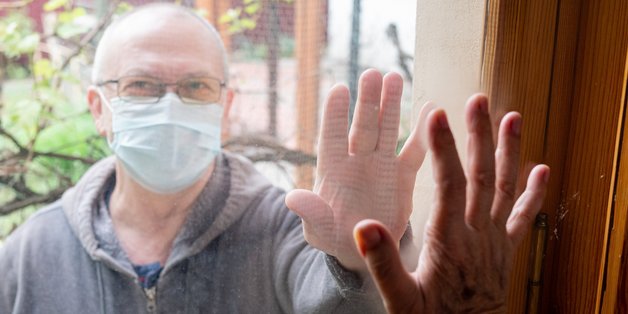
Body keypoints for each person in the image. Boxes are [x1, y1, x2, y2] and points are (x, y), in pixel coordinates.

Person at [0, 3, 549, 314]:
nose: (169, 105)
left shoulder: (287, 227)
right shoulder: (26, 256)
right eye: (141, 85)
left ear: (225, 105)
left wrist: (358, 260)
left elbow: (330, 300)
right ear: (99, 107)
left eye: (195, 86)